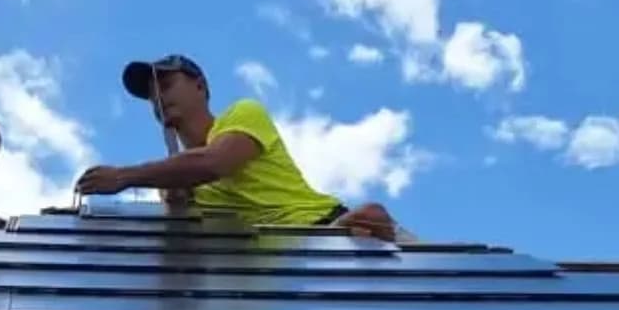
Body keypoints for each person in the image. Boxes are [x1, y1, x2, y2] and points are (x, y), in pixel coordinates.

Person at [72, 54, 399, 239]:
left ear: (200, 86)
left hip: (329, 228)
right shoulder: (175, 181)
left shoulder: (242, 114)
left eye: (167, 84)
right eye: (150, 96)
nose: (158, 97)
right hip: (286, 273)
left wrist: (124, 177)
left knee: (380, 233)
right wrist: (175, 200)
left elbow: (213, 163)